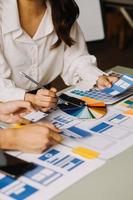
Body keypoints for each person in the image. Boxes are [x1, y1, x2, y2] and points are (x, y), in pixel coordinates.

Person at [0, 0, 118, 112]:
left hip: (43, 101)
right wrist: (27, 97)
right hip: (4, 105)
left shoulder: (62, 11)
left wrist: (96, 78)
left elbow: (75, 58)